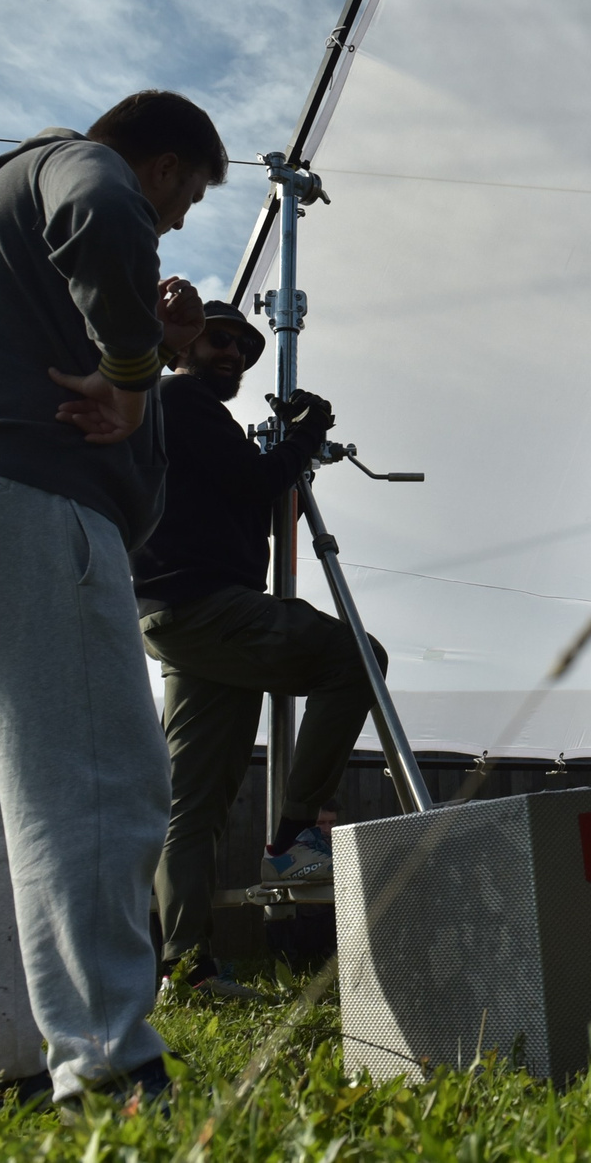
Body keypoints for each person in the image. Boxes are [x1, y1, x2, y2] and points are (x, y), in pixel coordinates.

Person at [0, 89, 225, 1110]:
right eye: (182, 202)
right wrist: (133, 373)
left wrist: (150, 348)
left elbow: (72, 291)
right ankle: (111, 1063)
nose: (171, 223)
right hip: (38, 510)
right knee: (97, 782)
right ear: (166, 165)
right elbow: (106, 209)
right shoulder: (78, 165)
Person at [130, 298, 389, 1001]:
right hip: (210, 606)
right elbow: (254, 480)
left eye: (244, 349)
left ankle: (186, 968)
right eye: (218, 341)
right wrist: (301, 442)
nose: (233, 356)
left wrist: (285, 461)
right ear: (183, 344)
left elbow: (245, 492)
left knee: (194, 803)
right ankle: (296, 834)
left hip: (180, 614)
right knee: (356, 657)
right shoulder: (180, 396)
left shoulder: (180, 411)